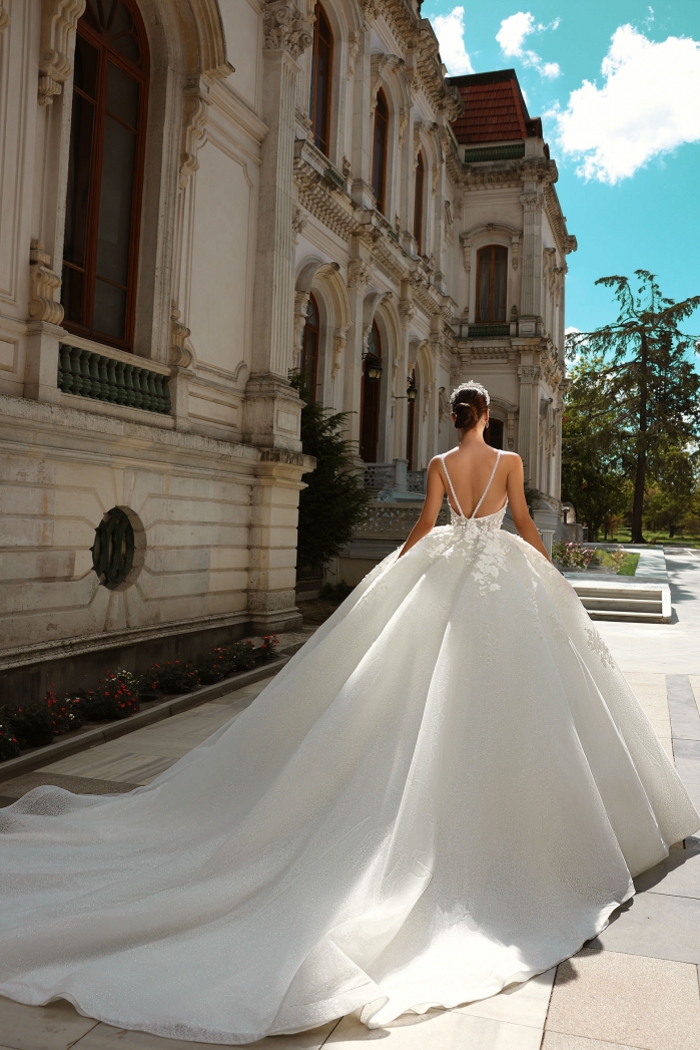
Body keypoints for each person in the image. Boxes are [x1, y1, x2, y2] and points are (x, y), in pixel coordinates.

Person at [0, 381, 697, 1046]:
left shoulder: (440, 464)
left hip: (449, 569)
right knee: (514, 696)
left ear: (454, 418)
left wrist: (391, 574)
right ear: (485, 416)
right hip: (500, 578)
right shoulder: (509, 461)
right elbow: (520, 522)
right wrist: (549, 574)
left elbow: (426, 526)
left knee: (427, 687)